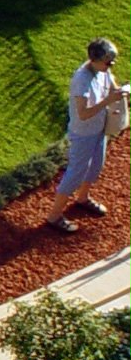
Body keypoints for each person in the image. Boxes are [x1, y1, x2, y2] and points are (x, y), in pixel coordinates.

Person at [45, 38, 126, 234]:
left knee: (96, 166)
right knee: (75, 174)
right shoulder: (81, 81)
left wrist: (119, 91)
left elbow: (111, 82)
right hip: (83, 134)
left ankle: (82, 198)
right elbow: (83, 113)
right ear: (95, 60)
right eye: (108, 62)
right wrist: (108, 100)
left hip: (98, 129)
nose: (111, 65)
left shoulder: (101, 70)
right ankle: (54, 216)